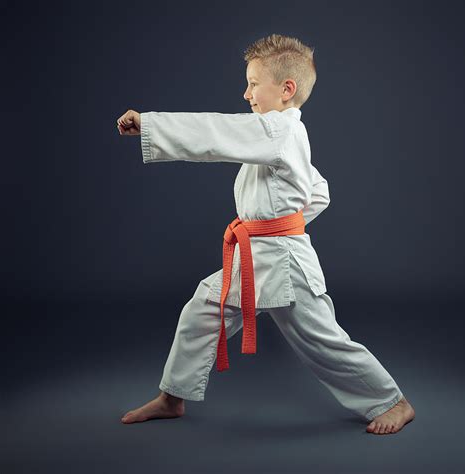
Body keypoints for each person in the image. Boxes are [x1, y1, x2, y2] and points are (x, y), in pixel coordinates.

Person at [116, 34, 415, 435]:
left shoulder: (277, 130)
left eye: (254, 83)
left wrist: (151, 124)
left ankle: (393, 402)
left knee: (322, 341)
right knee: (203, 311)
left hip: (283, 263)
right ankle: (173, 397)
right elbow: (318, 189)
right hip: (256, 254)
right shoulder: (281, 136)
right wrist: (284, 222)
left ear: (286, 89)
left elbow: (214, 134)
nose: (246, 93)